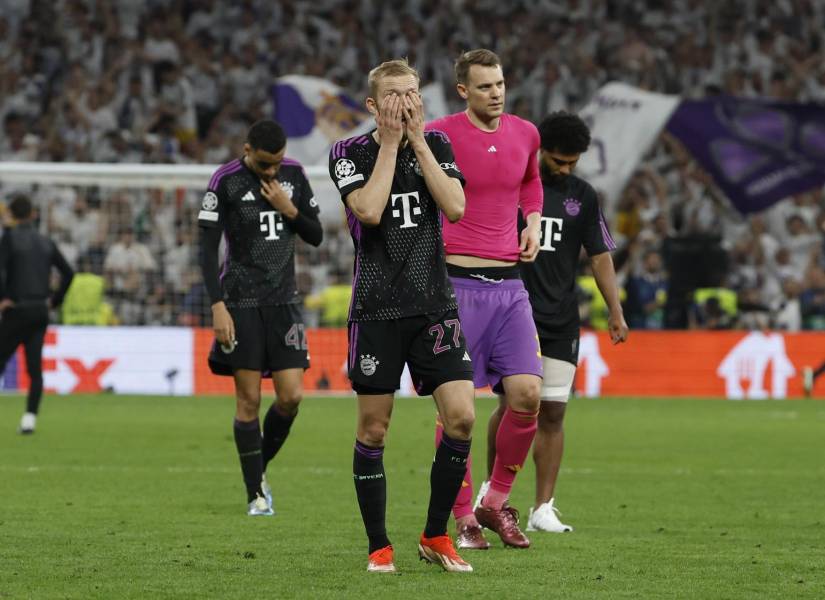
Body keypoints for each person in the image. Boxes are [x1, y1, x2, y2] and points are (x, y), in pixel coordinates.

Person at [328, 59, 475, 574]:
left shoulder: (436, 145)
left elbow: (455, 206)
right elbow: (367, 210)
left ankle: (436, 534)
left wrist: (414, 141)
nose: (406, 104)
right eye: (394, 96)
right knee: (374, 431)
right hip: (377, 310)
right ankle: (378, 545)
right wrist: (391, 144)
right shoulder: (348, 152)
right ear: (373, 105)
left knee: (461, 417)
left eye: (412, 94)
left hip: (434, 305)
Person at [425, 48, 544, 549]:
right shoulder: (439, 134)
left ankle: (494, 503)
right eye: (485, 86)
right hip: (455, 286)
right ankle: (462, 518)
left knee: (527, 396)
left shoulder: (526, 133)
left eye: (500, 84)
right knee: (459, 411)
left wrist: (533, 221)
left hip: (511, 286)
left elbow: (532, 182)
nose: (496, 93)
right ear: (463, 92)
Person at [198, 119, 323, 517]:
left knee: (291, 397)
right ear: (247, 150)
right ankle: (255, 493)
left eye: (278, 162)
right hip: (241, 303)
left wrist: (290, 209)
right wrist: (217, 305)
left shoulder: (295, 176)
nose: (273, 171)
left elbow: (316, 234)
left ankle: (258, 468)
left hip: (284, 302)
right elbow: (206, 250)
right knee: (248, 400)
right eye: (266, 163)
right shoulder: (225, 181)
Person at [517, 111, 628, 532]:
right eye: (559, 160)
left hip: (561, 318)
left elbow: (599, 255)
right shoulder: (516, 185)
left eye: (572, 162)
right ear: (540, 150)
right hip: (515, 312)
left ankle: (542, 508)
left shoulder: (583, 195)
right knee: (515, 407)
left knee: (553, 413)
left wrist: (614, 311)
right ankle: (495, 494)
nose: (565, 169)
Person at [0, 195, 74, 434]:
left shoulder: (9, 239)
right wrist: (54, 300)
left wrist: (3, 298)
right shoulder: (45, 241)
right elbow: (69, 273)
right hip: (39, 311)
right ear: (32, 214)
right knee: (34, 368)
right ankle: (29, 419)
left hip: (16, 310)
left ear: (11, 214)